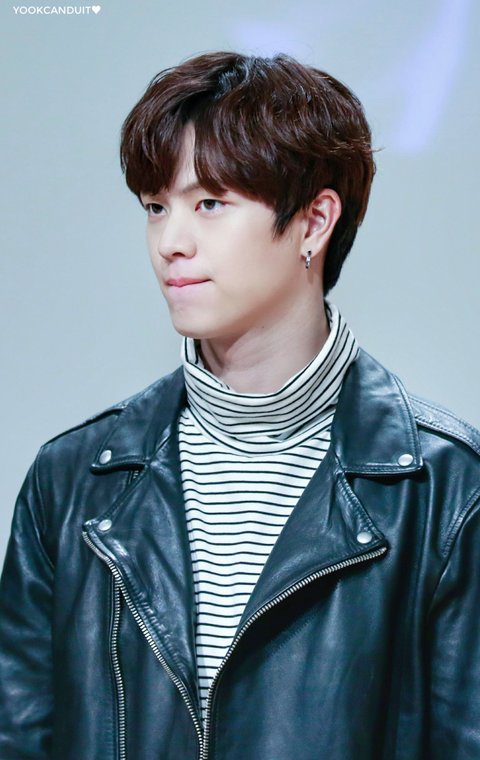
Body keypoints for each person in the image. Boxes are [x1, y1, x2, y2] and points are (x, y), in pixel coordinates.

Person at [1, 51, 479, 760]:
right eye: (156, 207)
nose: (171, 242)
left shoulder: (446, 488)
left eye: (210, 204)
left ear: (314, 222)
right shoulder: (72, 479)